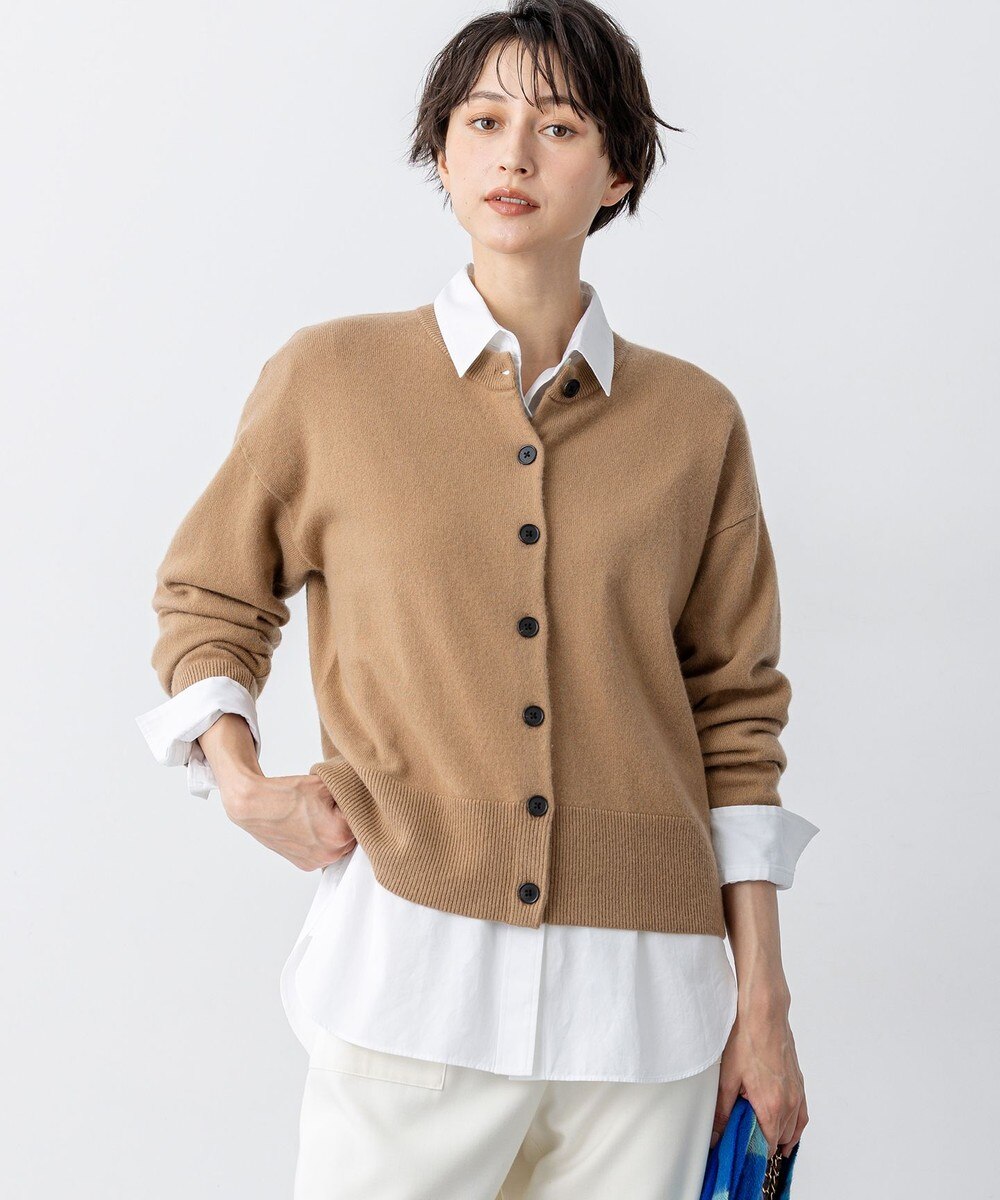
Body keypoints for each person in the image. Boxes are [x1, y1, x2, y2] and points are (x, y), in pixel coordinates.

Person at [135, 1, 819, 1196]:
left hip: (642, 1022)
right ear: (441, 156)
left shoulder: (694, 422)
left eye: (558, 126)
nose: (515, 155)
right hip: (411, 989)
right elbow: (211, 596)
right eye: (483, 121)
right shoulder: (332, 378)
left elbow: (735, 718)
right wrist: (242, 785)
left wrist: (762, 1004)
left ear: (617, 171)